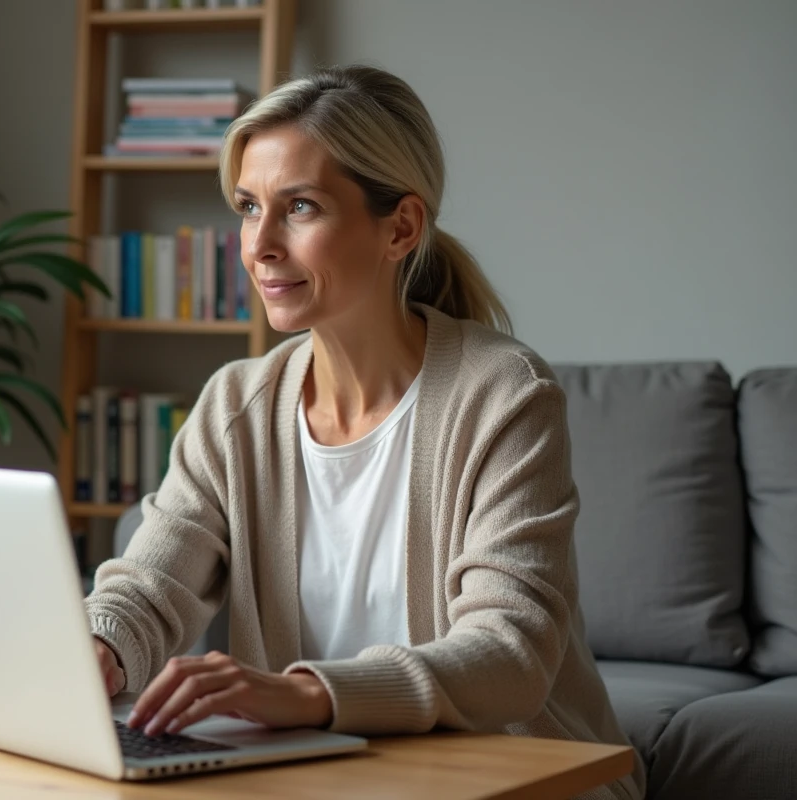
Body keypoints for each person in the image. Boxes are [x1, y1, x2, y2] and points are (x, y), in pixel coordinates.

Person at [84, 65, 645, 800]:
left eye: (301, 208)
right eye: (250, 207)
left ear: (401, 227)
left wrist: (308, 695)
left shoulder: (504, 394)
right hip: (319, 779)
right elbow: (150, 588)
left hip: (520, 777)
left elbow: (509, 654)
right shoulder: (235, 406)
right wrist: (97, 648)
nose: (259, 246)